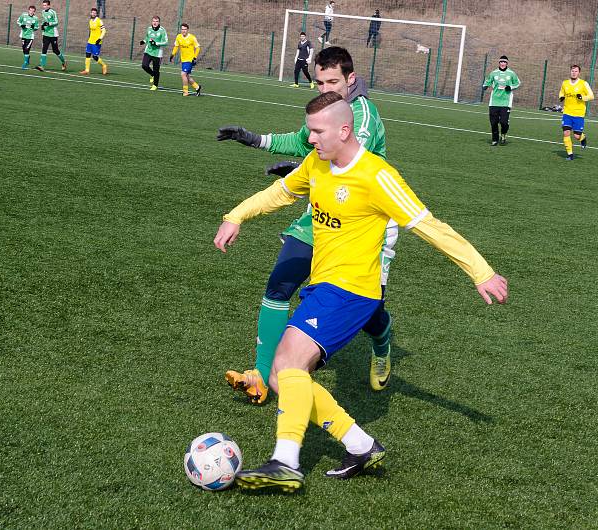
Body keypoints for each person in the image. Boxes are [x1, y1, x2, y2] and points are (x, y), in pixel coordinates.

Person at [215, 91, 508, 491]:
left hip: (352, 289)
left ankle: (286, 462)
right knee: (285, 378)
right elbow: (280, 193)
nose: (311, 139)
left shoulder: (376, 176)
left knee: (287, 362)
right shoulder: (317, 165)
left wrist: (481, 272)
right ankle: (361, 445)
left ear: (344, 130)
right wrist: (236, 216)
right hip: (324, 286)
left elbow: (428, 225)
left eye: (317, 132)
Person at [217, 47, 393, 405]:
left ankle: (382, 340)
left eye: (333, 81)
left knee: (367, 311)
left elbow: (342, 158)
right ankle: (262, 376)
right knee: (279, 285)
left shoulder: (361, 117)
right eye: (319, 81)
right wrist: (254, 139)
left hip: (360, 225)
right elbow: (302, 142)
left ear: (351, 80)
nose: (325, 87)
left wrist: (302, 175)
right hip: (318, 214)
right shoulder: (325, 111)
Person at [482, 55, 520, 146]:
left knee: (503, 122)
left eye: (504, 62)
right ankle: (495, 139)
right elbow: (488, 81)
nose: (503, 63)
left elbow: (518, 83)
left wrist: (510, 87)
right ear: (499, 63)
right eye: (501, 62)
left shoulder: (511, 73)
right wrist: (485, 86)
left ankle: (503, 135)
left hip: (506, 102)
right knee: (494, 122)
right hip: (494, 101)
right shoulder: (494, 73)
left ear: (507, 63)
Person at [559, 64, 594, 161]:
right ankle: (570, 154)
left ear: (579, 73)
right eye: (572, 71)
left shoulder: (583, 84)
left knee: (576, 136)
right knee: (566, 133)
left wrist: (582, 97)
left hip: (578, 114)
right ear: (570, 72)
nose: (574, 73)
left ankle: (583, 138)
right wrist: (561, 97)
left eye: (576, 71)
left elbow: (591, 96)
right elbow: (561, 92)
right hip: (567, 113)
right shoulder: (565, 83)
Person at [170, 23, 201, 96]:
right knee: (187, 76)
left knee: (183, 74)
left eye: (185, 29)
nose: (183, 31)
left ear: (187, 30)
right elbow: (176, 46)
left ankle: (185, 92)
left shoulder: (192, 37)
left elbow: (198, 48)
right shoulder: (178, 37)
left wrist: (195, 57)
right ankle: (197, 87)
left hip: (190, 60)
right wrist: (172, 54)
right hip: (183, 60)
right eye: (182, 29)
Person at [35, 0, 67, 71]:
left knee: (55, 50)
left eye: (45, 5)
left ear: (49, 6)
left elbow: (56, 22)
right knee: (44, 49)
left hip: (53, 34)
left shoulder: (53, 12)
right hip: (45, 33)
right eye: (43, 5)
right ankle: (42, 66)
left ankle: (63, 62)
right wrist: (42, 25)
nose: (44, 7)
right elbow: (44, 21)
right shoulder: (43, 12)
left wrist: (49, 24)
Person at [139, 15, 168, 90]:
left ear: (159, 22)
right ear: (152, 22)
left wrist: (157, 43)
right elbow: (147, 38)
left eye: (157, 21)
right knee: (144, 65)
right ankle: (152, 74)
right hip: (148, 51)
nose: (155, 23)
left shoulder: (162, 31)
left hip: (158, 53)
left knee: (156, 70)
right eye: (153, 21)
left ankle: (155, 85)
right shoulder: (149, 29)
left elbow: (166, 42)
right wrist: (144, 41)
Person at [79, 7, 107, 75]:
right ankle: (87, 70)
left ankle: (104, 65)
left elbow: (104, 30)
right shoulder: (90, 21)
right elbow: (91, 31)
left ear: (96, 14)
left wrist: (100, 38)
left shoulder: (99, 21)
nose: (93, 14)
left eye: (95, 13)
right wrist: (89, 39)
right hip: (90, 41)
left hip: (96, 42)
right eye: (92, 13)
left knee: (95, 57)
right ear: (90, 13)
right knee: (87, 54)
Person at [17, 5, 39, 70]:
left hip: (30, 36)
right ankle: (28, 57)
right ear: (28, 10)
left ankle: (25, 63)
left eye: (33, 11)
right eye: (30, 10)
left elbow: (37, 27)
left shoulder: (36, 18)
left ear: (34, 12)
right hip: (23, 35)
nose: (31, 12)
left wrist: (33, 27)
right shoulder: (23, 15)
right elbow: (18, 21)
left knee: (27, 49)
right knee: (24, 50)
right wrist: (21, 25)